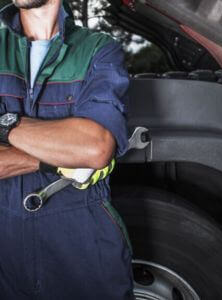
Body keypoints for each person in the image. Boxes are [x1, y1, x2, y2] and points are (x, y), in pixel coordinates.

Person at [0, 0, 134, 299]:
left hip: (83, 240)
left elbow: (95, 146)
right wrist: (56, 158)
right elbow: (81, 149)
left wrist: (4, 127)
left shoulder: (98, 50)